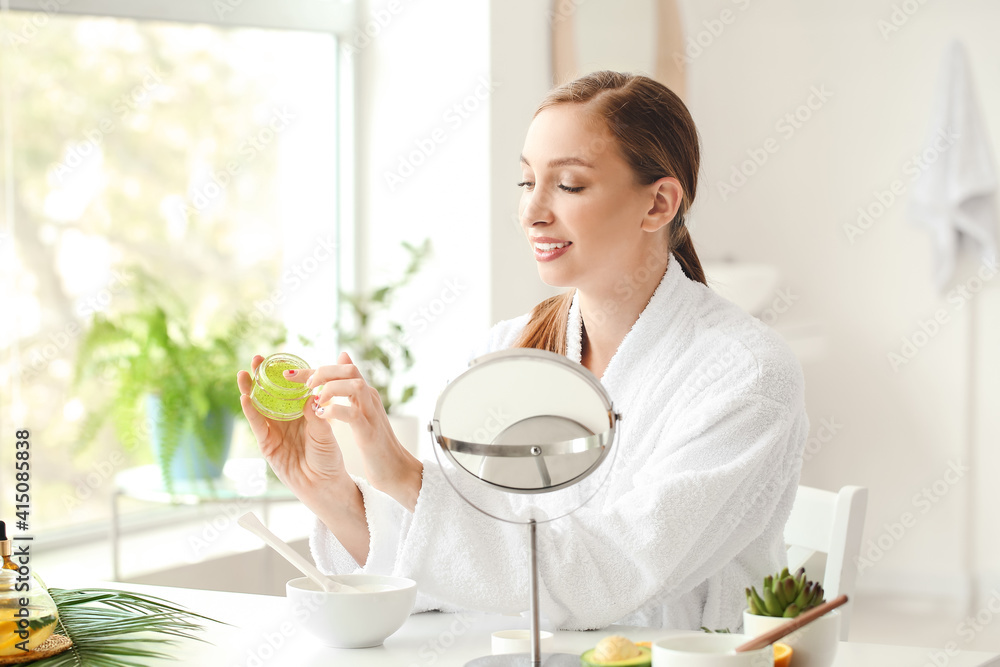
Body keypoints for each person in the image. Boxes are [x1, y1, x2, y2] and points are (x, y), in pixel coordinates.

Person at [236, 70, 809, 632]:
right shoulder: (505, 350)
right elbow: (453, 564)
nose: (533, 211)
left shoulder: (746, 374)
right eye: (526, 182)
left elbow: (610, 576)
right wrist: (333, 494)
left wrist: (404, 473)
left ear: (658, 204)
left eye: (569, 185)